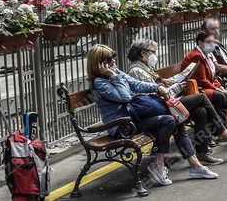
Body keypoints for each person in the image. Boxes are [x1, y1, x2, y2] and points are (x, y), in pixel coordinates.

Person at [87, 44, 219, 185]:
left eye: (113, 58)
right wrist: (113, 76)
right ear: (98, 63)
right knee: (170, 119)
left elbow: (136, 84)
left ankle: (193, 165)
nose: (113, 62)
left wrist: (158, 87)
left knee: (174, 118)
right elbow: (125, 97)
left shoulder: (115, 72)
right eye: (108, 60)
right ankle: (163, 165)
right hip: (122, 126)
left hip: (134, 118)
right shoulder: (100, 82)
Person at [127, 39, 227, 165]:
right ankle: (222, 132)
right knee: (201, 98)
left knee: (201, 111)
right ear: (143, 54)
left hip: (163, 103)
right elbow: (154, 95)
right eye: (153, 52)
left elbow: (159, 88)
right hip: (157, 108)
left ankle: (202, 153)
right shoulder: (136, 71)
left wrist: (175, 82)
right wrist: (177, 87)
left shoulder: (146, 68)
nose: (155, 55)